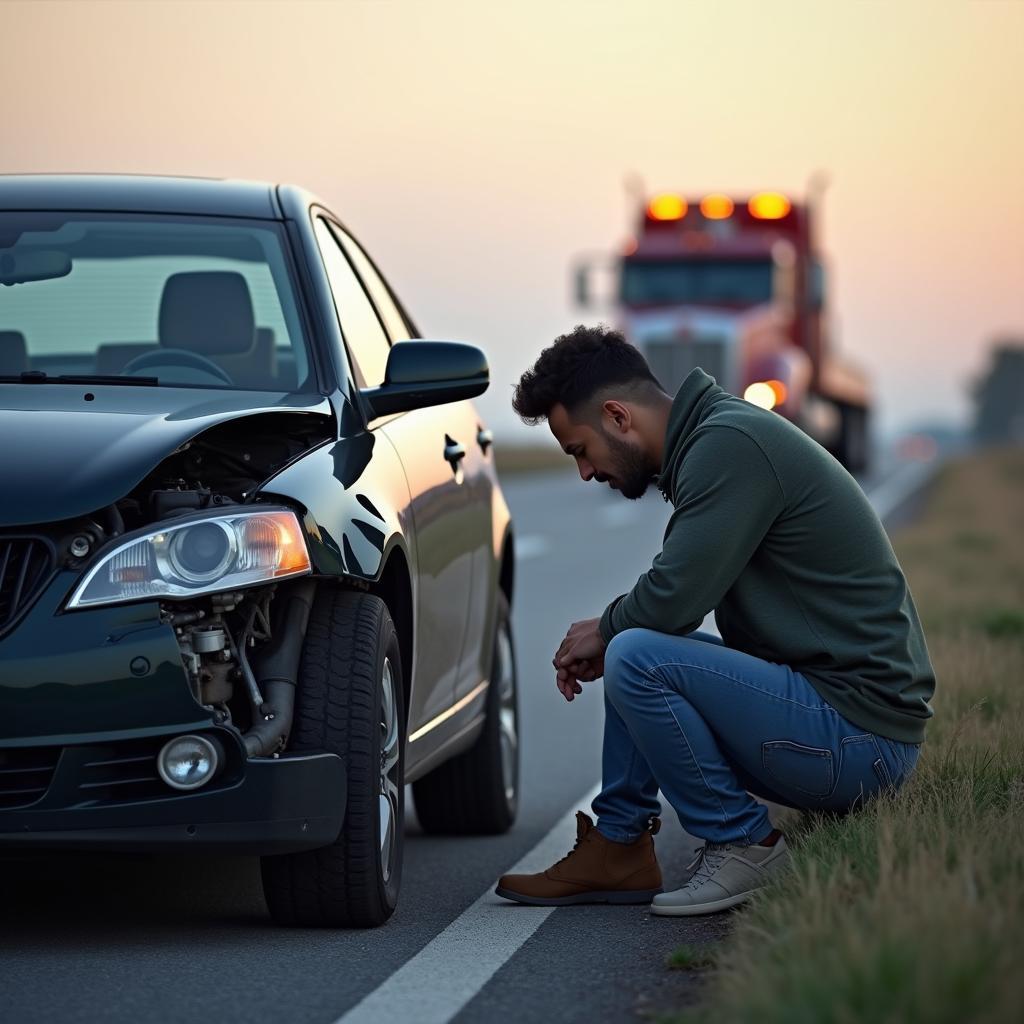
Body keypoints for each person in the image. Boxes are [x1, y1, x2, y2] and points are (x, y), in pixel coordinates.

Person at [494, 325, 935, 916]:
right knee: (637, 644)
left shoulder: (729, 445)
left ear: (618, 417)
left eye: (579, 450)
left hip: (861, 741)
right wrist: (618, 627)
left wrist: (605, 629)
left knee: (636, 652)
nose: (584, 472)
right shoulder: (717, 436)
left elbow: (674, 597)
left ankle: (744, 843)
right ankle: (620, 846)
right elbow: (672, 601)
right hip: (844, 722)